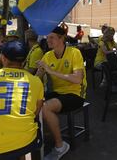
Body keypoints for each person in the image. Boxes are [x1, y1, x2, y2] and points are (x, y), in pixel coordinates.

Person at [36, 27, 87, 160]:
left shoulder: (74, 52)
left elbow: (77, 79)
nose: (48, 40)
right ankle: (47, 136)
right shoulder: (47, 56)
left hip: (76, 94)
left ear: (62, 38)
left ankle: (60, 145)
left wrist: (51, 71)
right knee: (35, 104)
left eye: (52, 37)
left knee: (46, 107)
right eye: (47, 38)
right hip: (58, 93)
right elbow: (37, 78)